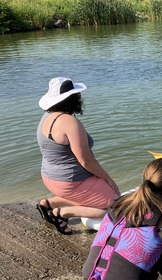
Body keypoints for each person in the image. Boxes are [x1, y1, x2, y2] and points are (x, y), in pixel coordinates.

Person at [36, 77, 120, 234]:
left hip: (50, 178)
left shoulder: (46, 117)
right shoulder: (69, 122)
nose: (80, 98)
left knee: (95, 197)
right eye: (78, 95)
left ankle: (49, 203)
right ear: (72, 98)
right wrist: (108, 179)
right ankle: (62, 213)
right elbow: (86, 161)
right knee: (117, 207)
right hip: (70, 182)